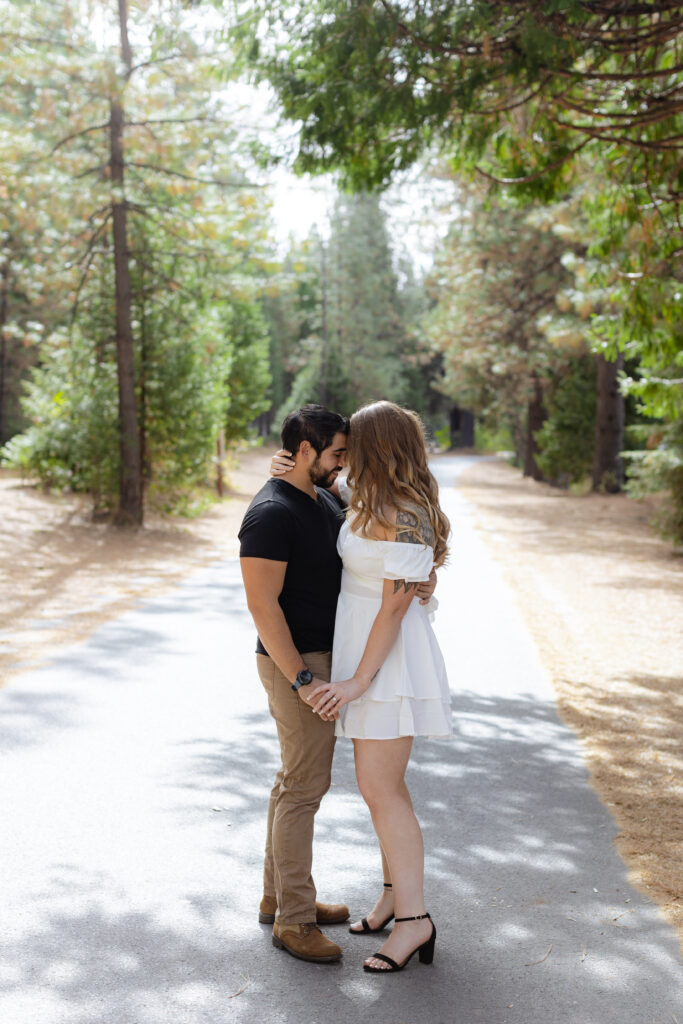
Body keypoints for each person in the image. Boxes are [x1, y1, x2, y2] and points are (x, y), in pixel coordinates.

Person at [238, 404, 436, 965]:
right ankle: (293, 916)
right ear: (306, 452)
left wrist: (423, 575)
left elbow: (401, 562)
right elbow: (261, 604)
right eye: (335, 452)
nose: (344, 462)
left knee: (323, 786)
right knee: (308, 785)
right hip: (307, 663)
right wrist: (302, 677)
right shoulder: (280, 507)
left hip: (357, 662)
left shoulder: (334, 495)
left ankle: (288, 899)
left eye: (351, 451)